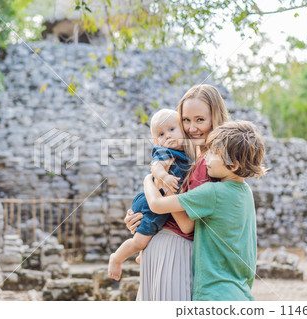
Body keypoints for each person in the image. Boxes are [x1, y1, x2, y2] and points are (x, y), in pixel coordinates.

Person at [125, 84, 229, 301]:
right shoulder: (187, 157)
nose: (191, 128)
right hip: (164, 247)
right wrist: (140, 214)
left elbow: (186, 224)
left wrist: (151, 185)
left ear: (215, 118)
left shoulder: (210, 164)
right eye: (186, 120)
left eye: (200, 120)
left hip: (175, 249)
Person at [143, 120, 268, 300]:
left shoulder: (213, 192)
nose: (206, 159)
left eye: (213, 154)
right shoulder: (245, 192)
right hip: (240, 291)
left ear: (233, 165)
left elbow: (156, 205)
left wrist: (148, 179)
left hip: (213, 292)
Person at [108, 109, 191, 281]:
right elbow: (156, 167)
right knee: (139, 240)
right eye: (161, 134)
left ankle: (141, 253)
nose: (167, 136)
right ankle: (117, 258)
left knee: (148, 234)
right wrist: (164, 176)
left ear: (182, 129)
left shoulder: (187, 154)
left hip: (159, 200)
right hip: (150, 202)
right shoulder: (165, 152)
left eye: (172, 130)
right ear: (155, 141)